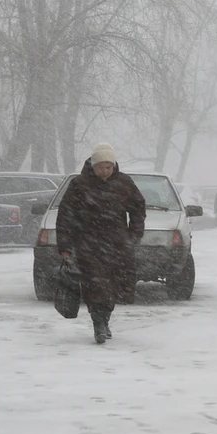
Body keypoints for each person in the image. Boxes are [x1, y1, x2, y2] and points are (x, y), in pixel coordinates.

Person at [56, 143, 146, 344]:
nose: (105, 171)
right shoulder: (79, 185)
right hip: (88, 243)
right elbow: (65, 215)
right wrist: (65, 246)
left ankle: (104, 319)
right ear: (93, 166)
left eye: (109, 167)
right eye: (101, 167)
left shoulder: (124, 183)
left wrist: (134, 234)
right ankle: (99, 324)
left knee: (113, 285)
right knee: (95, 285)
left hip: (118, 244)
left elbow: (138, 207)